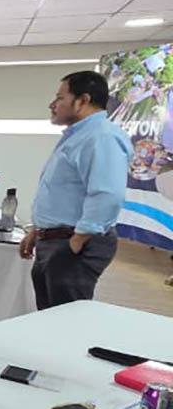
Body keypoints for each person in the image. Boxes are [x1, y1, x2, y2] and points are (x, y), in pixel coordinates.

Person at [20, 71, 131, 309]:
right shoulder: (79, 136)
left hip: (73, 242)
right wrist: (37, 231)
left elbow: (107, 194)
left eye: (60, 98)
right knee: (49, 316)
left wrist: (78, 240)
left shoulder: (101, 137)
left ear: (83, 100)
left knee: (67, 318)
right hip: (56, 240)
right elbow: (62, 192)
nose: (52, 105)